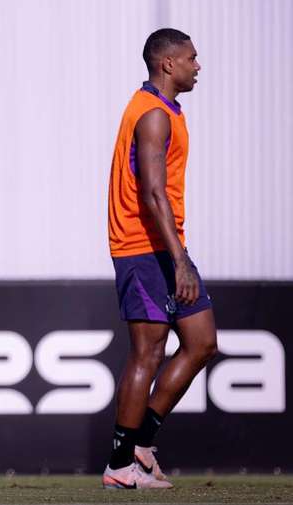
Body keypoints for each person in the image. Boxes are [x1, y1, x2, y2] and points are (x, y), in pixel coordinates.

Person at [103, 29, 218, 489]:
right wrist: (180, 259)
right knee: (147, 352)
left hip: (165, 248)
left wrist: (179, 255)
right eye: (192, 58)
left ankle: (142, 444)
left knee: (202, 341)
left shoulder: (165, 109)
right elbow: (152, 192)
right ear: (168, 64)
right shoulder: (152, 114)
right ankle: (118, 464)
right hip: (142, 248)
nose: (198, 65)